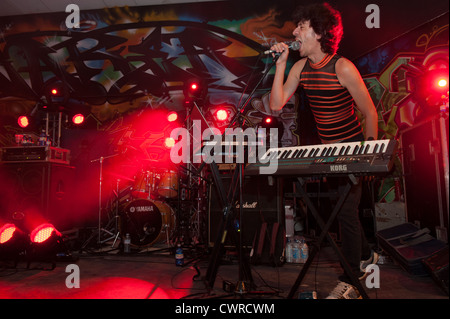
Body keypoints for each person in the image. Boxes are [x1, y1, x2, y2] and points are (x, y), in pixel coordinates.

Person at [268, 3, 379, 298]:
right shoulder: (301, 68)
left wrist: (367, 157)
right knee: (344, 212)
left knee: (344, 213)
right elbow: (276, 104)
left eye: (301, 27)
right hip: (328, 153)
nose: (294, 32)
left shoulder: (342, 67)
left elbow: (369, 112)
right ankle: (368, 256)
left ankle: (352, 281)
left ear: (318, 33)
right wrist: (281, 66)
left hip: (353, 149)